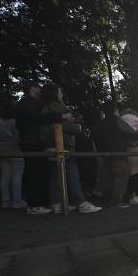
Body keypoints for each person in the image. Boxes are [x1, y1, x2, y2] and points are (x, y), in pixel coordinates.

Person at [39, 83, 101, 214]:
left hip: (49, 146)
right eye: (60, 92)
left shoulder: (44, 107)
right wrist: (78, 128)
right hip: (63, 145)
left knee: (55, 176)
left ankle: (56, 203)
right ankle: (81, 203)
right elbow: (67, 126)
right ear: (55, 93)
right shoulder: (58, 107)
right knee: (73, 174)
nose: (62, 94)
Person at [16, 81, 56, 214]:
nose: (41, 91)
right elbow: (40, 117)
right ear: (32, 89)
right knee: (34, 173)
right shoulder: (27, 103)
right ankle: (34, 205)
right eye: (39, 88)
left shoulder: (30, 104)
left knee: (38, 172)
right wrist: (59, 116)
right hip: (31, 142)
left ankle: (38, 204)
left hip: (33, 142)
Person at [0, 102, 26, 209]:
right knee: (17, 176)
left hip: (0, 151)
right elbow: (20, 136)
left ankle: (5, 201)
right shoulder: (14, 122)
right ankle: (17, 201)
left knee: (5, 176)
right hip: (15, 150)